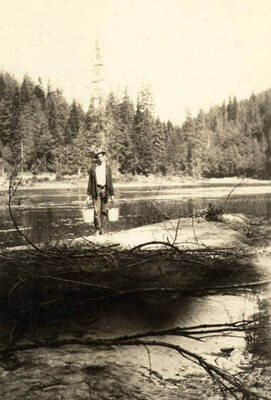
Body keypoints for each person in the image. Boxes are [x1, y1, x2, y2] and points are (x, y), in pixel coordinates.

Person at [86, 150, 114, 235]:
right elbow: (90, 182)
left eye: (101, 156)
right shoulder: (93, 168)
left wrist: (112, 194)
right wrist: (88, 195)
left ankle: (103, 228)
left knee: (104, 210)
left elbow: (110, 181)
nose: (100, 158)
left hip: (105, 189)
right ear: (96, 158)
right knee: (96, 210)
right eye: (98, 157)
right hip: (96, 189)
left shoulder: (107, 167)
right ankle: (98, 229)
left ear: (104, 157)